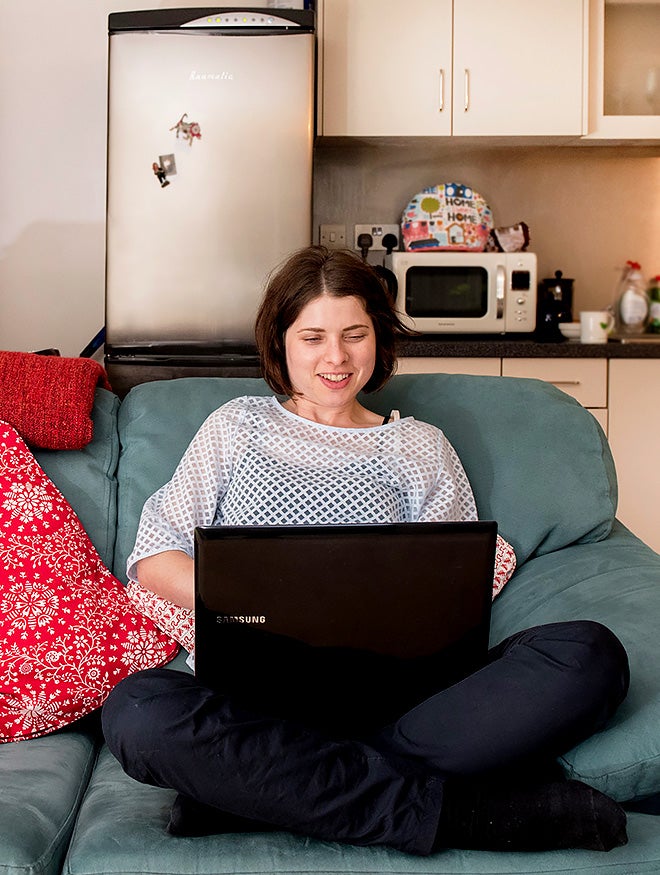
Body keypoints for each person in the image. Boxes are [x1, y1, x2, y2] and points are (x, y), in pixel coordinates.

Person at [102, 245, 630, 856]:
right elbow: (154, 556)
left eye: (355, 334)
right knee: (139, 712)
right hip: (259, 699)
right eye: (314, 336)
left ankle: (262, 790)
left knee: (589, 653)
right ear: (281, 343)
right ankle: (455, 813)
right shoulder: (235, 426)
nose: (336, 357)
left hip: (403, 701)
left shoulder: (419, 446)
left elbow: (454, 584)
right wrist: (269, 601)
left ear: (379, 339)